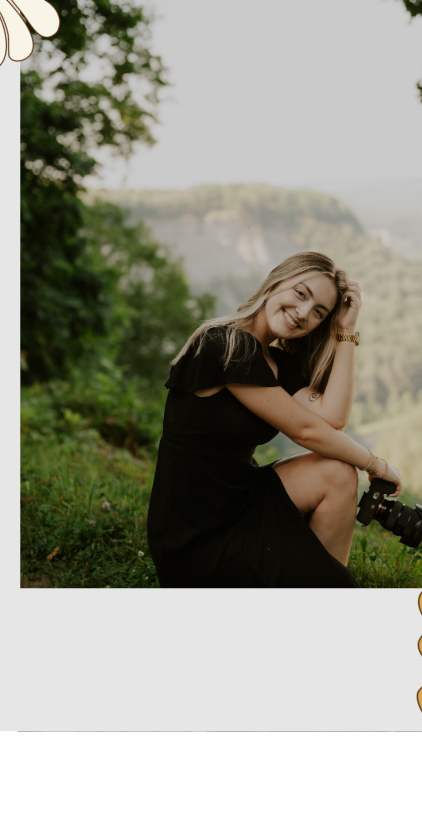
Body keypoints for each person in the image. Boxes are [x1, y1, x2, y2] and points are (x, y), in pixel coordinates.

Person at [146, 251, 401, 587]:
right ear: (276, 281)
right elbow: (307, 431)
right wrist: (376, 465)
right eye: (301, 294)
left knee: (338, 473)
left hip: (241, 500)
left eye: (318, 312)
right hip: (196, 535)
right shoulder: (225, 345)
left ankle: (325, 581)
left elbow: (332, 419)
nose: (303, 313)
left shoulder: (277, 363)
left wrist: (346, 332)